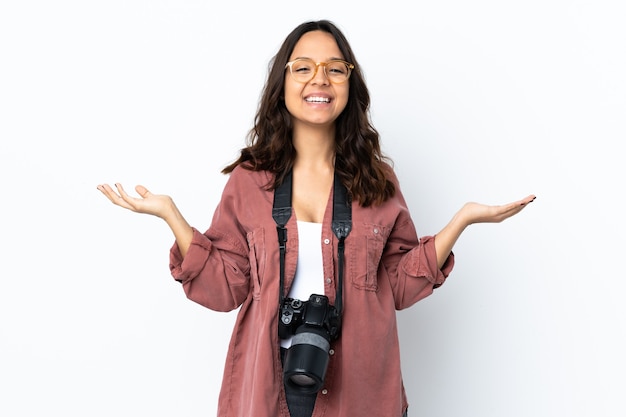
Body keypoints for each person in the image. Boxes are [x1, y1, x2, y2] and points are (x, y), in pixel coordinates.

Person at [97, 19, 535, 417]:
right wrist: (171, 216)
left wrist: (461, 222)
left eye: (335, 68)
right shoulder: (251, 181)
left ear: (349, 83)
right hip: (268, 390)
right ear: (282, 83)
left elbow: (400, 284)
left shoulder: (376, 181)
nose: (319, 79)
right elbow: (226, 286)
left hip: (360, 393)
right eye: (302, 67)